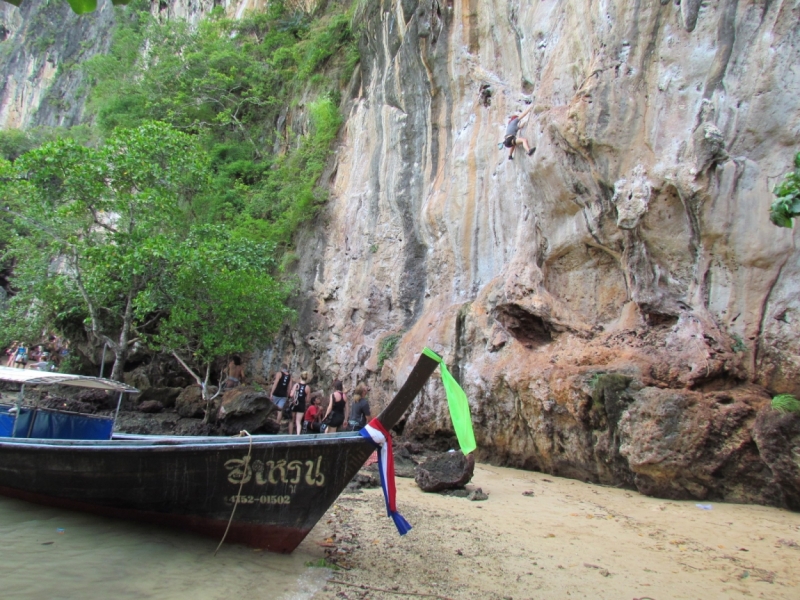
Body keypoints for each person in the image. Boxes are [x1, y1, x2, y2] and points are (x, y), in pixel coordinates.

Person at [288, 371, 311, 435]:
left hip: (294, 404)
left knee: (291, 421)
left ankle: (290, 436)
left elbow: (291, 395)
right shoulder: (307, 387)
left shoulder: (296, 385)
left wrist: (292, 392)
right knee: (298, 422)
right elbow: (307, 400)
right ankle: (298, 435)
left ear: (300, 377)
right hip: (301, 405)